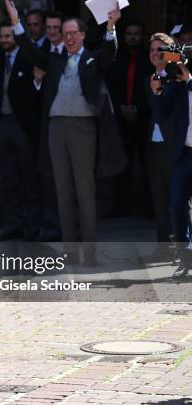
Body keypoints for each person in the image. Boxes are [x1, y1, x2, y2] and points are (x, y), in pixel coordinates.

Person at [5, 0, 124, 265]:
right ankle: (70, 251)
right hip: (56, 128)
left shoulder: (92, 59)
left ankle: (90, 254)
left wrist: (112, 26)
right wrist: (16, 23)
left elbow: (109, 53)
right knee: (63, 191)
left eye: (73, 33)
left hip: (83, 128)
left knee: (85, 189)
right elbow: (30, 51)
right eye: (65, 33)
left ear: (82, 35)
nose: (69, 37)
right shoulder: (55, 60)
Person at [0, 22, 41, 240]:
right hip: (2, 123)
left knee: (29, 177)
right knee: (9, 177)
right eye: (1, 36)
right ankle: (14, 223)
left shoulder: (29, 58)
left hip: (22, 124)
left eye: (8, 36)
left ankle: (33, 225)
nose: (4, 40)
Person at [150, 58, 192, 278]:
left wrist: (190, 81)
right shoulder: (178, 86)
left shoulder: (188, 82)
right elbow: (162, 115)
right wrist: (157, 93)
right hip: (183, 154)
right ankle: (185, 258)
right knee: (177, 205)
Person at [109, 22, 152, 217]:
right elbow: (111, 85)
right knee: (121, 165)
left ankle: (150, 208)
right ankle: (120, 207)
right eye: (129, 34)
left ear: (142, 36)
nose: (133, 37)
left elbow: (153, 88)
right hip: (121, 119)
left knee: (148, 165)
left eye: (136, 34)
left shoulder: (150, 58)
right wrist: (121, 108)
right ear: (124, 36)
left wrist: (137, 109)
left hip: (144, 120)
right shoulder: (116, 56)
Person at [146, 33, 176, 248]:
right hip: (154, 146)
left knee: (177, 199)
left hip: (174, 146)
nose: (155, 54)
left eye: (160, 49)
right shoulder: (147, 79)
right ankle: (163, 246)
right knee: (158, 199)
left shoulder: (178, 78)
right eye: (152, 50)